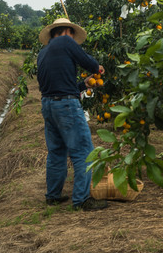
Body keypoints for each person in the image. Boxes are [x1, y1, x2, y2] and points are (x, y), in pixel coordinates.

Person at [37, 17, 108, 211]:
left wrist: (81, 85)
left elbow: (55, 85)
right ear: (67, 31)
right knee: (84, 152)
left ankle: (52, 196)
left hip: (49, 105)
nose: (73, 39)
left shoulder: (43, 53)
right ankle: (82, 199)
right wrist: (97, 68)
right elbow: (89, 62)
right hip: (67, 106)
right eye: (72, 35)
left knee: (56, 152)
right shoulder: (66, 41)